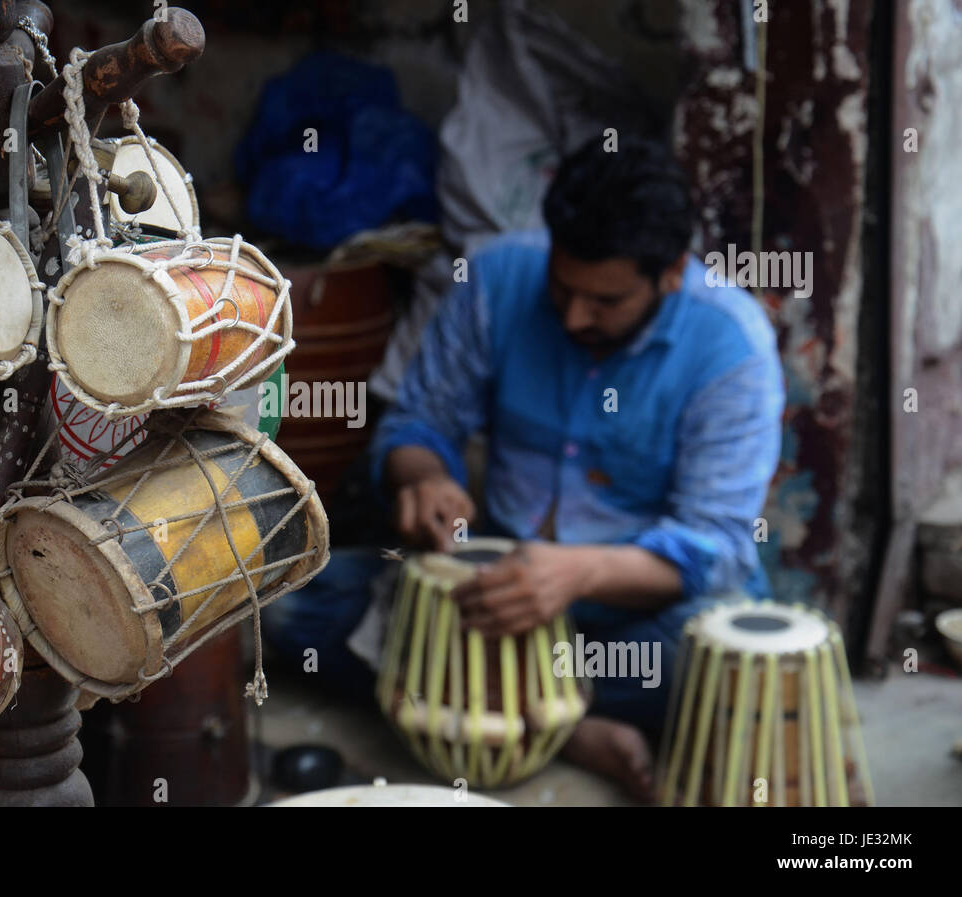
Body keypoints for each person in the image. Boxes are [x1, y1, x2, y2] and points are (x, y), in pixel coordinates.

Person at [262, 134, 784, 802]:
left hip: (635, 609)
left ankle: (493, 706)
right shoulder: (500, 278)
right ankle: (567, 726)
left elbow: (717, 545)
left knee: (727, 668)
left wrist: (580, 571)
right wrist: (422, 477)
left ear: (673, 272)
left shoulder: (731, 346)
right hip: (495, 587)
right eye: (563, 288)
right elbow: (418, 422)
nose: (573, 315)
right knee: (288, 607)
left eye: (606, 301)